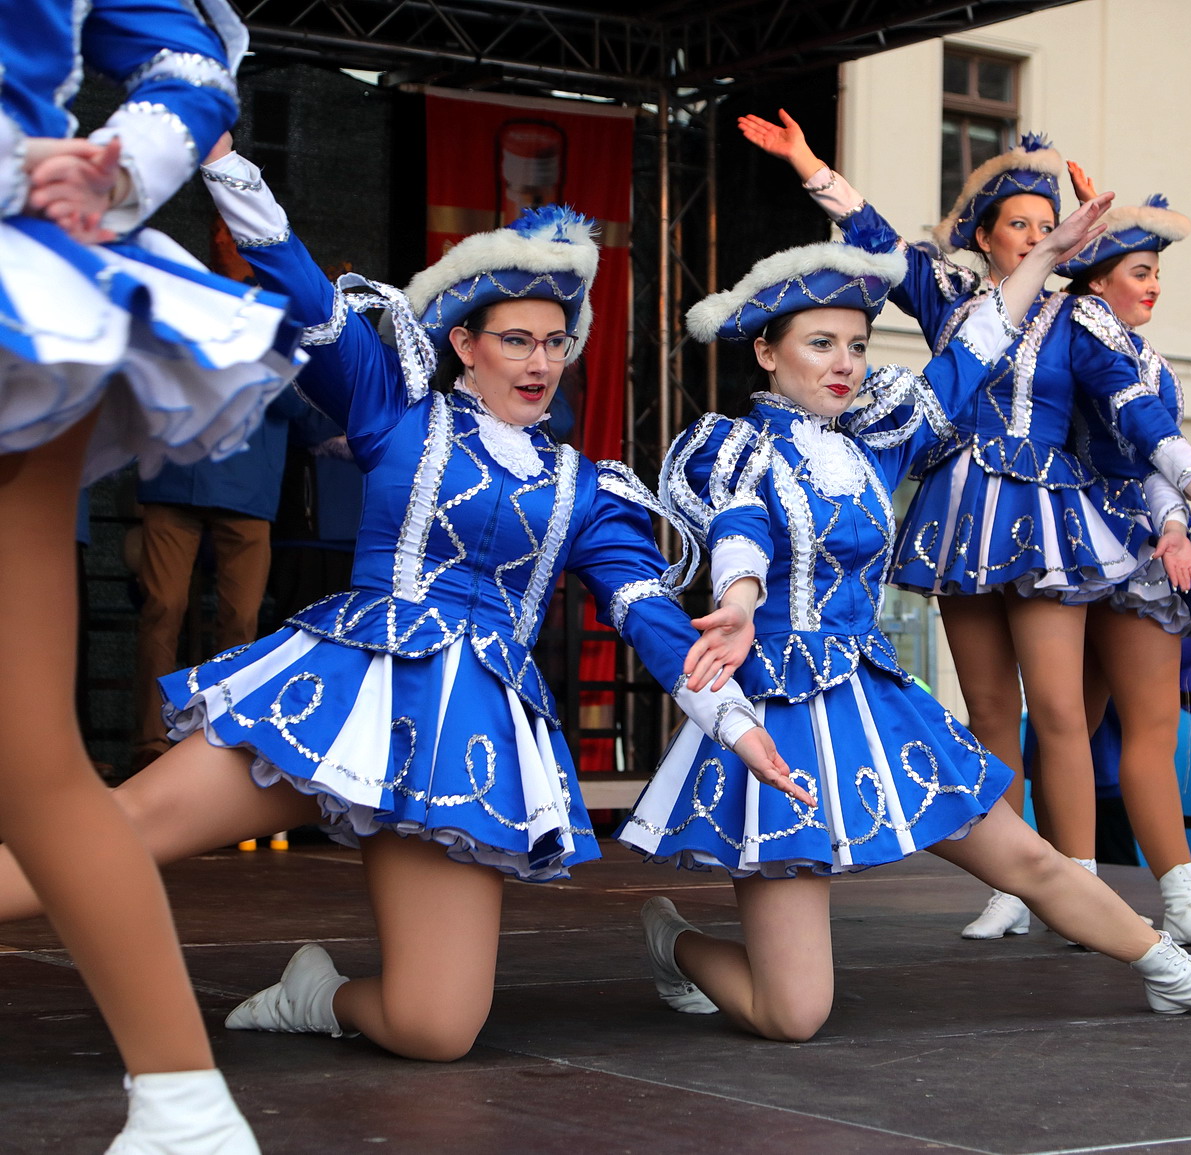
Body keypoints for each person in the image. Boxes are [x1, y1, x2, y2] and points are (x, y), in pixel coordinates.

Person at [0, 137, 799, 1066]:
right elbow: (307, 296)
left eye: (555, 343)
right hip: (336, 698)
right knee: (116, 830)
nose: (541, 362)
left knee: (436, 1026)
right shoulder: (397, 413)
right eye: (516, 340)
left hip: (456, 747)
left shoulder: (587, 489)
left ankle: (315, 995)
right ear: (464, 343)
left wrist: (736, 724)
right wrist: (226, 165)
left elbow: (649, 615)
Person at [618, 212, 1191, 1042]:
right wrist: (740, 594)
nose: (845, 363)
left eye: (857, 345)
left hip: (875, 698)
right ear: (766, 351)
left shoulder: (875, 445)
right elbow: (740, 528)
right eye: (820, 344)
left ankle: (1175, 972)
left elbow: (975, 348)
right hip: (780, 714)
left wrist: (1047, 257)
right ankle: (676, 942)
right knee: (793, 1014)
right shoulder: (737, 448)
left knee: (1030, 856)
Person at [739, 111, 1191, 941]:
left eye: (1048, 226)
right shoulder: (947, 294)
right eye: (1020, 224)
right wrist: (806, 162)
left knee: (1058, 708)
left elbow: (1133, 407)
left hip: (1047, 515)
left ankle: (1081, 888)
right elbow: (875, 238)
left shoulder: (1077, 318)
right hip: (958, 514)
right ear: (984, 236)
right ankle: (1013, 884)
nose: (1036, 237)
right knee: (986, 709)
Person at [0, 1, 302, 1148]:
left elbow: (184, 61)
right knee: (58, 726)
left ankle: (185, 1106)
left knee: (32, 754)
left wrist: (112, 170)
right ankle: (185, 1105)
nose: (540, 358)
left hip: (30, 281)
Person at [1024, 181, 1191, 950]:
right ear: (1097, 279)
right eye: (1140, 270)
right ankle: (1084, 894)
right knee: (1080, 724)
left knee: (1124, 726)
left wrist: (1176, 519)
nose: (1155, 284)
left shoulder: (1140, 353)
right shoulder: (1084, 327)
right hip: (1081, 538)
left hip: (1131, 547)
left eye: (1158, 272)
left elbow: (1145, 454)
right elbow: (1132, 420)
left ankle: (1155, 896)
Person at [131, 390, 301, 771]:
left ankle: (223, 739)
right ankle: (150, 744)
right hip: (173, 470)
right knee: (162, 608)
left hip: (247, 479)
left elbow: (296, 404)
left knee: (241, 618)